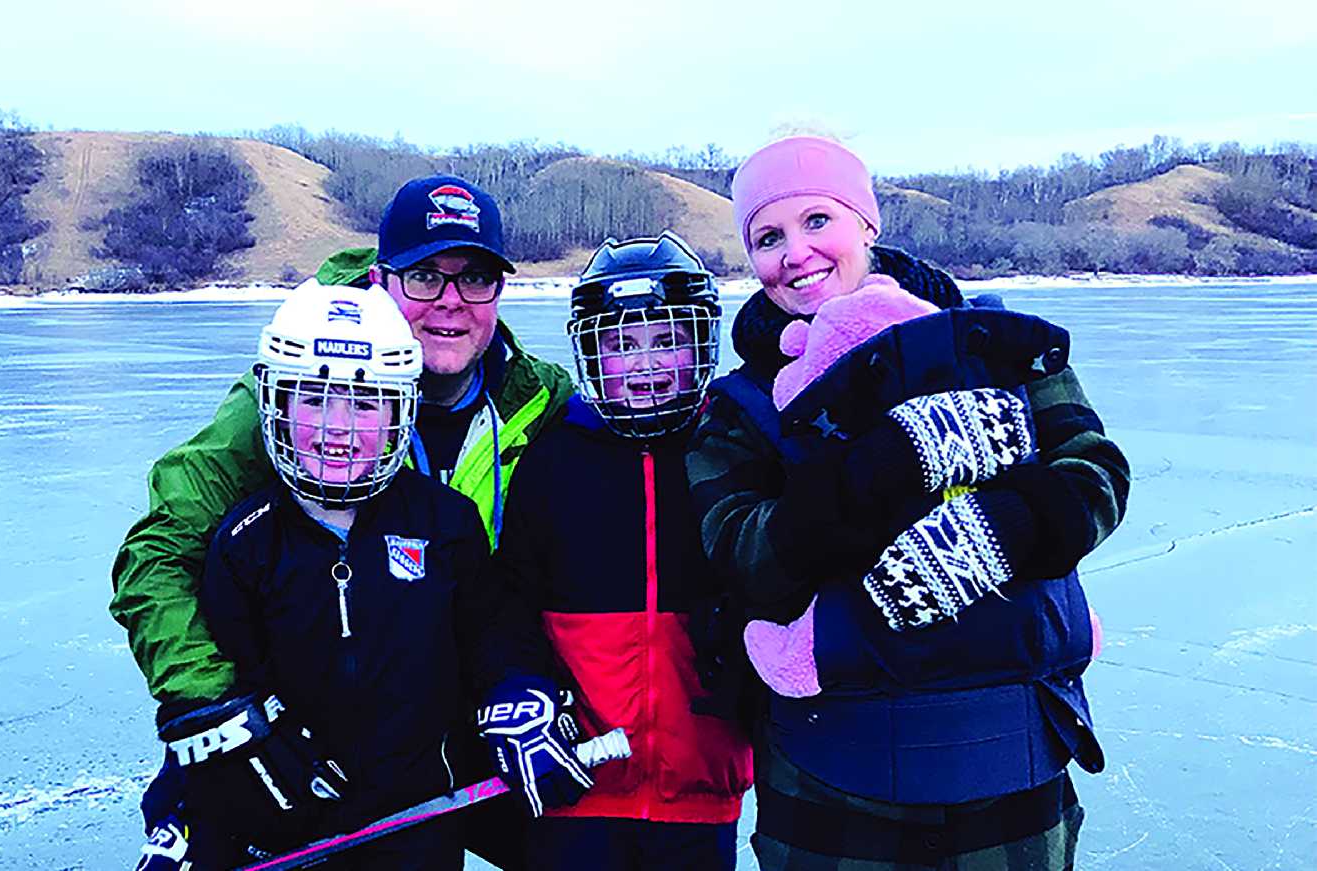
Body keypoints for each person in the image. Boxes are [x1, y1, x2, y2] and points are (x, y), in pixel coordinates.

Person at [684, 136, 1131, 869]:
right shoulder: (740, 405)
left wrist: (1002, 530)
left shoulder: (994, 340)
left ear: (868, 223)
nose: (796, 253)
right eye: (768, 237)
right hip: (830, 780)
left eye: (817, 221)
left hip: (1009, 759)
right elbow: (744, 553)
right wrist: (875, 473)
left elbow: (1095, 469)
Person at [111, 175, 576, 868]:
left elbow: (509, 600)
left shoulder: (537, 397)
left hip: (455, 728)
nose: (450, 302)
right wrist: (211, 714)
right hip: (318, 718)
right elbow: (161, 553)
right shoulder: (303, 382)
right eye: (424, 276)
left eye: (475, 277)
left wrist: (526, 684)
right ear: (382, 278)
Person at [491, 233, 754, 871]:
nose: (644, 364)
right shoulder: (553, 461)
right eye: (620, 345)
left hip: (700, 793)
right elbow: (508, 605)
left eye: (667, 340)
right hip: (579, 788)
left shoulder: (734, 449)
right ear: (590, 354)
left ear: (701, 343)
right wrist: (520, 689)